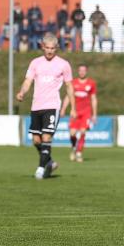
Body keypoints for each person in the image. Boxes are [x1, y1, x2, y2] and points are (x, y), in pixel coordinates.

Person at [15, 33, 74, 179]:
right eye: (47, 48)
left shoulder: (63, 64)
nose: (49, 51)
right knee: (36, 140)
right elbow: (28, 81)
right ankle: (50, 162)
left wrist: (73, 107)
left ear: (56, 48)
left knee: (46, 137)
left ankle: (41, 169)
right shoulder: (35, 63)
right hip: (36, 106)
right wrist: (22, 91)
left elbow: (69, 86)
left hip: (52, 105)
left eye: (52, 48)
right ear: (42, 47)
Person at [60, 64, 97, 163]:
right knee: (72, 133)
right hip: (75, 112)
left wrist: (94, 114)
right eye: (80, 70)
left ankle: (79, 153)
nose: (82, 72)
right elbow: (68, 96)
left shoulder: (91, 83)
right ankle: (73, 147)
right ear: (78, 71)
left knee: (83, 132)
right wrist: (63, 108)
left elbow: (93, 99)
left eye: (84, 70)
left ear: (86, 71)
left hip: (86, 112)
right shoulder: (73, 83)